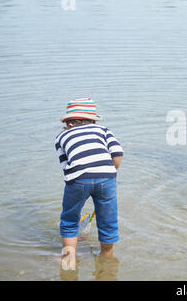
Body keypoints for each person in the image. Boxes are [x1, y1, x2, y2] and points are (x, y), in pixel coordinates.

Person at [55, 98, 123, 269]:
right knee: (108, 219)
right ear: (92, 120)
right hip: (106, 177)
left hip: (77, 179)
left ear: (68, 122)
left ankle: (69, 259)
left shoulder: (61, 136)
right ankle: (107, 257)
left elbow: (65, 166)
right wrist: (111, 172)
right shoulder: (102, 129)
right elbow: (118, 153)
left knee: (70, 220)